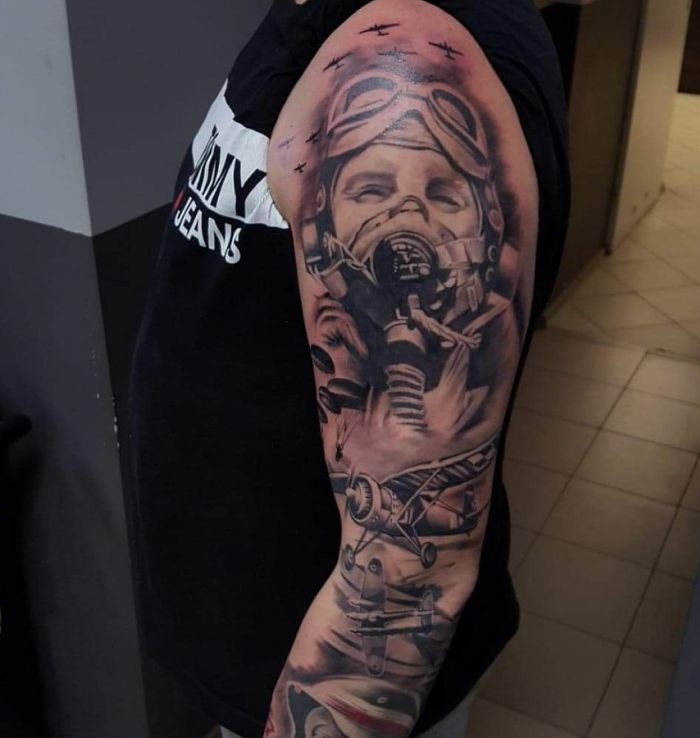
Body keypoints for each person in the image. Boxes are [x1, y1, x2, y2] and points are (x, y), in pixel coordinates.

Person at [128, 1, 570, 737]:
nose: (405, 221)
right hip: (248, 635)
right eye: (370, 193)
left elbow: (405, 580)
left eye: (436, 200)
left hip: (321, 676)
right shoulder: (331, 24)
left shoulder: (408, 64)